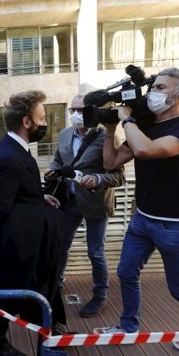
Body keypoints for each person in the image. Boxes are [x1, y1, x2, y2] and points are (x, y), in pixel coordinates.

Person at [95, 67, 179, 353]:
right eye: (153, 87)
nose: (153, 93)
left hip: (176, 225)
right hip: (143, 219)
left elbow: (147, 151)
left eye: (161, 88)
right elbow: (111, 163)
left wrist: (127, 120)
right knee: (126, 273)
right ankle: (128, 327)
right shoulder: (143, 127)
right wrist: (111, 128)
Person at [0, 90, 65, 356]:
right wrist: (35, 208)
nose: (46, 123)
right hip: (14, 244)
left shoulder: (18, 149)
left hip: (24, 239)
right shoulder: (8, 157)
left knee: (25, 288)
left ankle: (49, 326)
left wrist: (38, 198)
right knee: (7, 294)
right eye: (42, 118)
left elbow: (16, 194)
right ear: (26, 122)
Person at [44, 94, 125, 317]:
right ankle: (56, 284)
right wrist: (52, 170)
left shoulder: (107, 137)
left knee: (95, 252)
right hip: (68, 200)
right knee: (60, 245)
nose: (76, 115)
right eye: (73, 110)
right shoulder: (64, 134)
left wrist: (98, 179)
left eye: (81, 110)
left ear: (93, 112)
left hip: (96, 202)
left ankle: (100, 296)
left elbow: (118, 176)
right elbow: (59, 160)